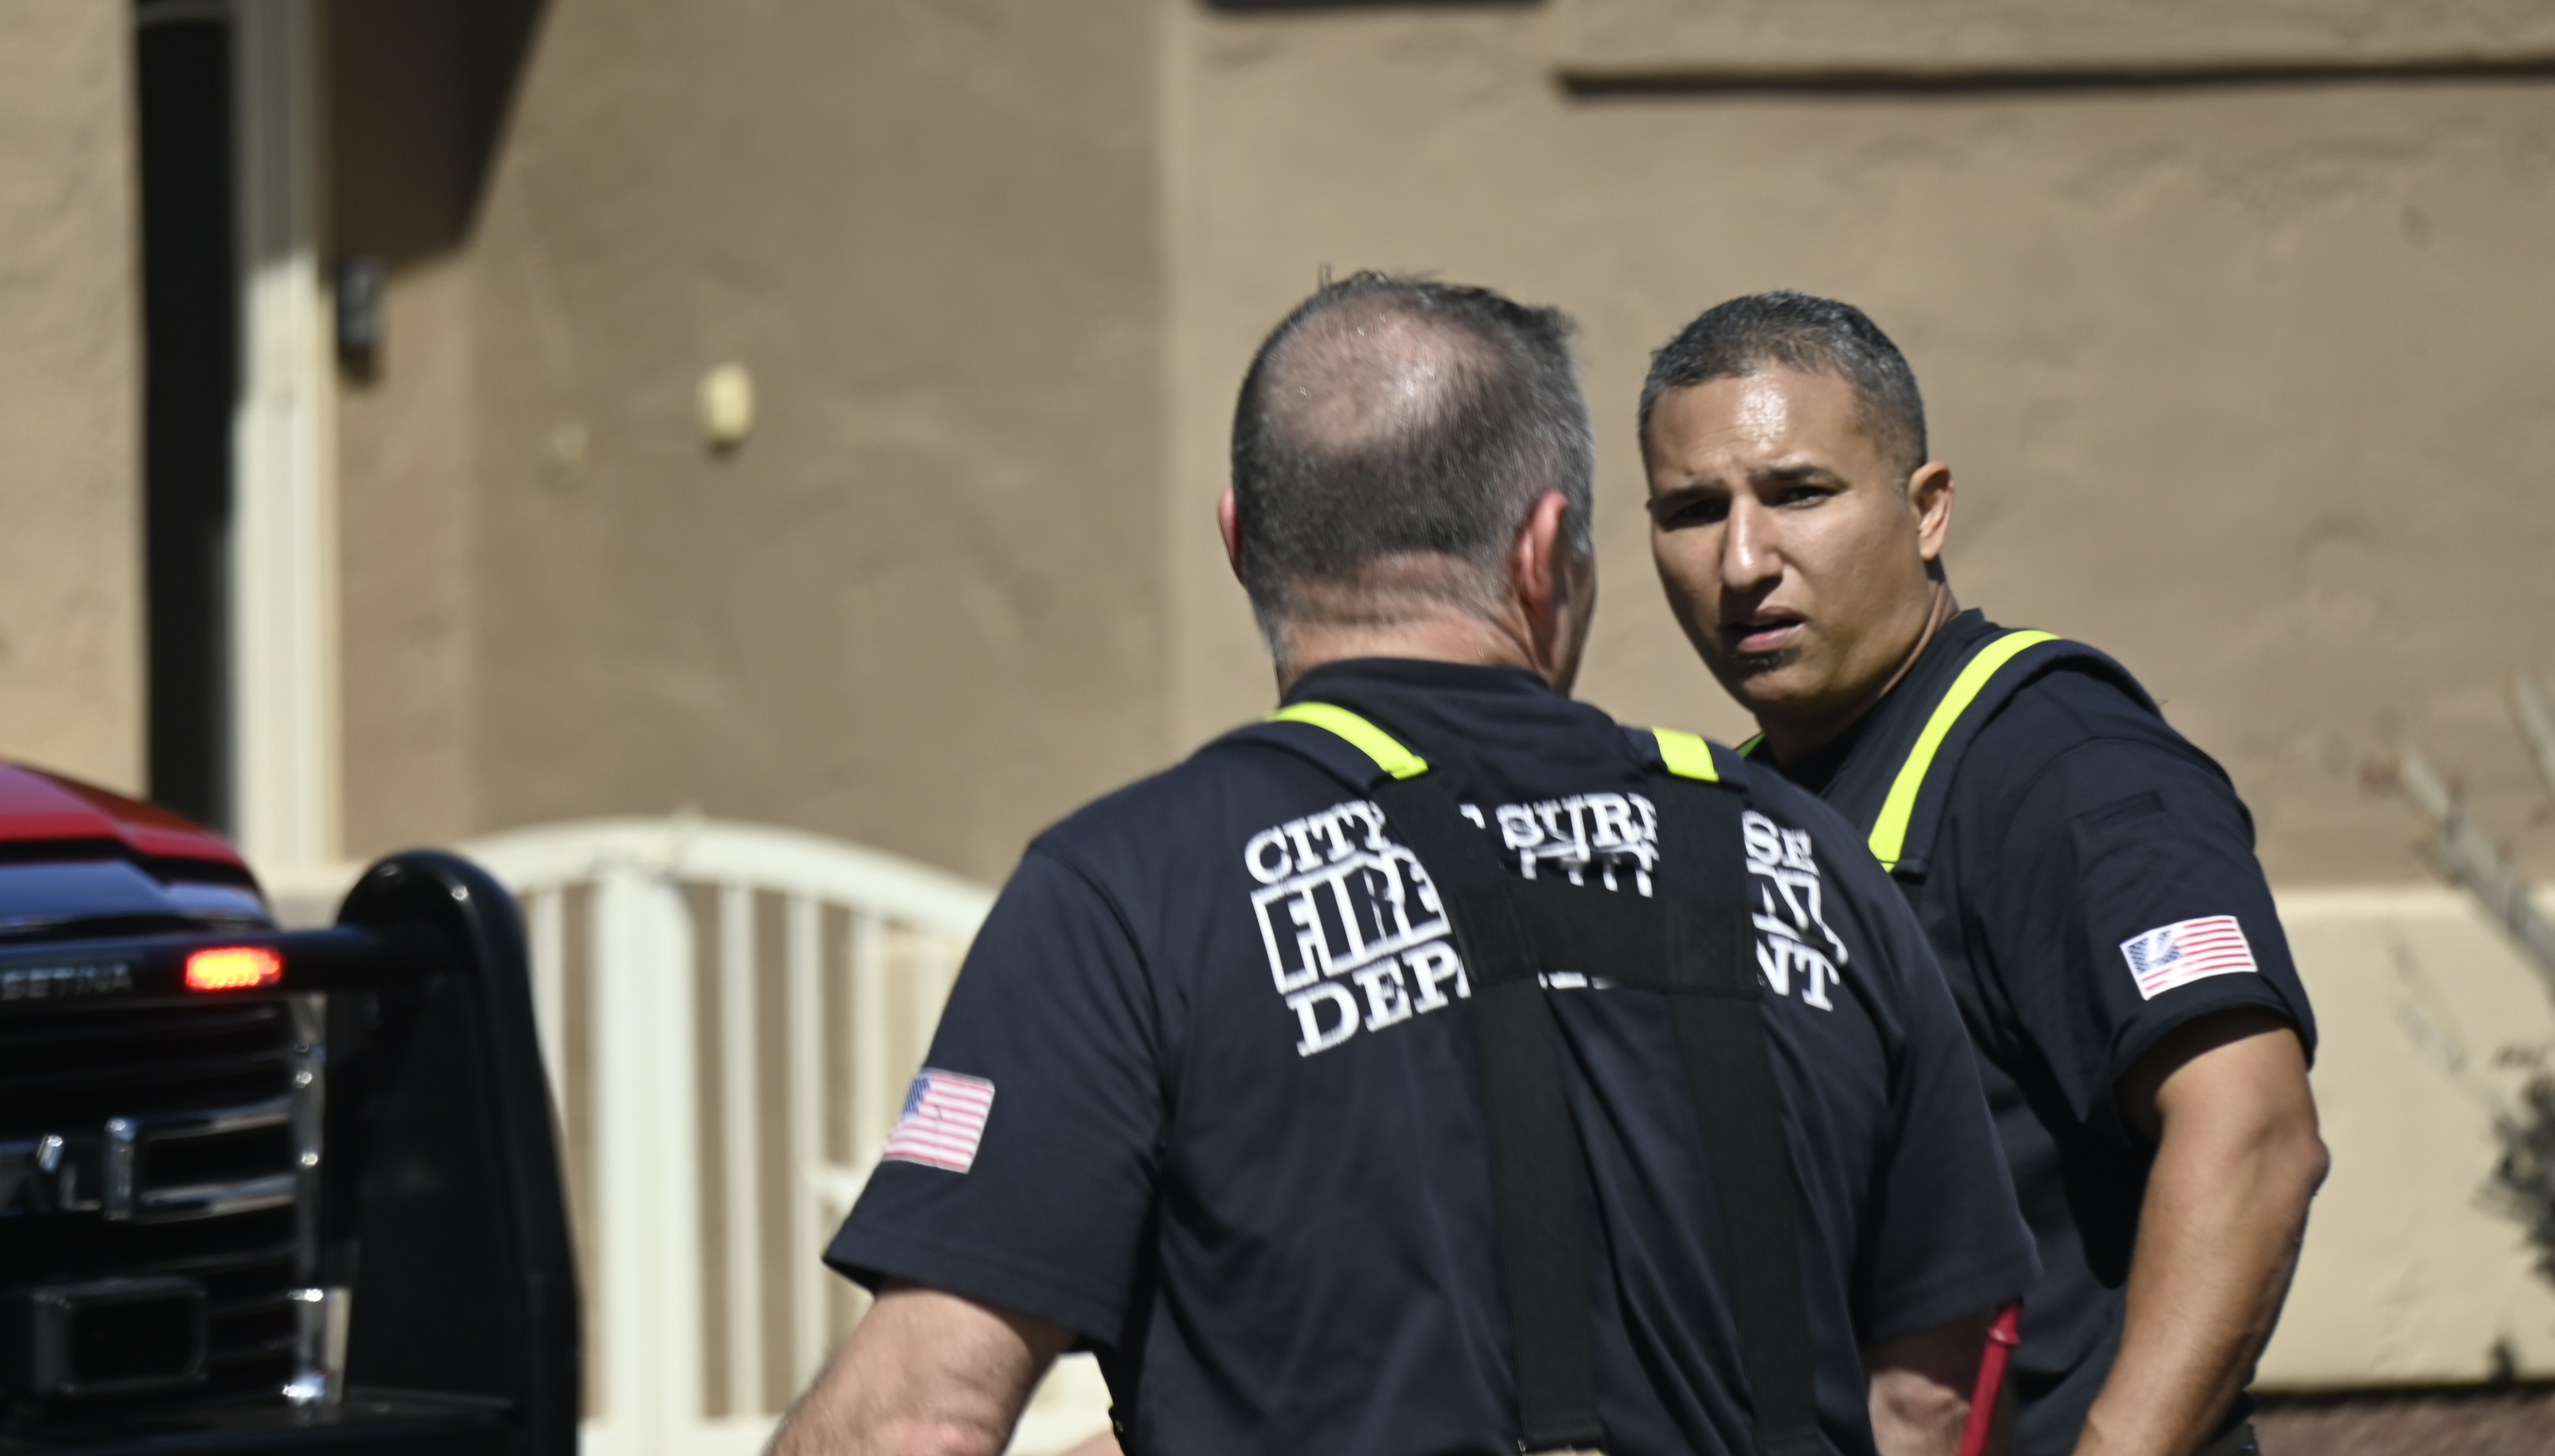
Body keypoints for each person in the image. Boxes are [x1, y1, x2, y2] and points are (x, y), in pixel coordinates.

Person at [776, 275, 2038, 1456]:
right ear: (1546, 547)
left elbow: (916, 1417)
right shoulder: (1805, 858)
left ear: (1241, 542)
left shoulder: (1134, 890)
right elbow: (1930, 1388)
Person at [1637, 291, 2329, 1456]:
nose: (1743, 561)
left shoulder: (2064, 767)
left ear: (1926, 510)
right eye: (1695, 511)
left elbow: (2253, 1133)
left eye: (1798, 494)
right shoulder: (1747, 805)